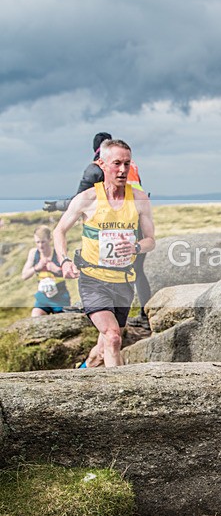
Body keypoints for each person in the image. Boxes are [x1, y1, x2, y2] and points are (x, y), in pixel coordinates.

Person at [54, 139, 155, 367]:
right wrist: (65, 261)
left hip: (123, 281)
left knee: (104, 346)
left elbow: (151, 241)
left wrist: (136, 247)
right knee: (113, 337)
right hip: (93, 280)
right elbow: (59, 231)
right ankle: (117, 397)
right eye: (117, 163)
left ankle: (83, 370)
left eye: (127, 164)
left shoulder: (139, 199)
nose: (122, 170)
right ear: (102, 164)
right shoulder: (87, 199)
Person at [20, 225, 71, 316]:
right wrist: (37, 268)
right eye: (37, 242)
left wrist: (56, 269)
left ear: (50, 240)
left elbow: (71, 274)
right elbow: (24, 276)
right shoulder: (33, 253)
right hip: (42, 297)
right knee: (35, 316)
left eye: (43, 242)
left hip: (60, 297)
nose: (40, 246)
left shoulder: (58, 253)